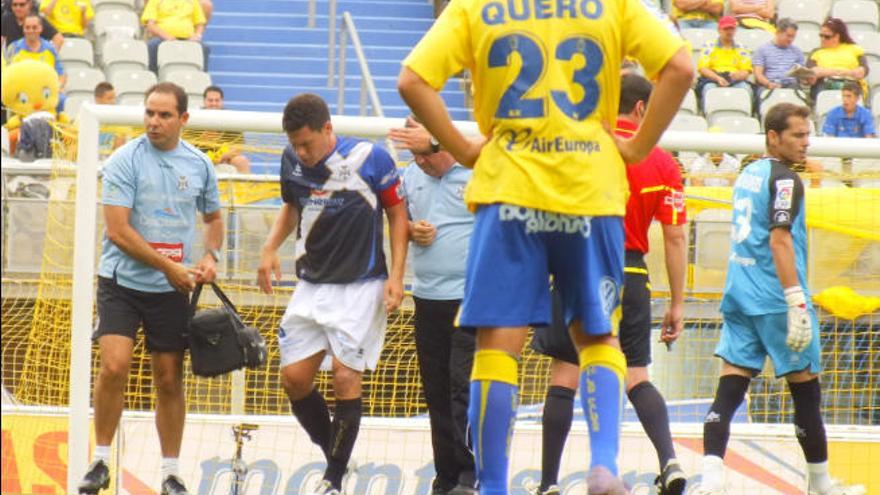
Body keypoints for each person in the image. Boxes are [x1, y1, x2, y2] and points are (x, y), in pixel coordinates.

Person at [397, 0, 695, 492]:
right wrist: (638, 147)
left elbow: (411, 80)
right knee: (598, 336)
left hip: (507, 189)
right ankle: (603, 466)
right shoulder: (613, 5)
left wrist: (466, 147)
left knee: (496, 347)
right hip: (589, 190)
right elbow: (681, 66)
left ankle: (493, 486)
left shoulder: (475, 7)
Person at [693, 103, 866, 495]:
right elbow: (779, 238)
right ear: (774, 137)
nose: (807, 143)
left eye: (808, 135)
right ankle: (821, 485)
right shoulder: (786, 181)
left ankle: (710, 478)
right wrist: (796, 302)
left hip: (739, 295)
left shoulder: (747, 174)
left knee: (730, 387)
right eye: (798, 136)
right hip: (776, 299)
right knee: (805, 389)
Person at [528, 74, 689, 495]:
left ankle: (548, 483)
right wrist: (678, 302)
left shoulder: (580, 149)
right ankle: (670, 461)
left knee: (565, 373)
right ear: (640, 109)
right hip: (631, 272)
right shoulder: (663, 161)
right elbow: (674, 236)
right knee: (635, 373)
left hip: (577, 263)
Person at [77, 82, 224, 495]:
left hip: (171, 290)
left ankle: (171, 473)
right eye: (149, 113)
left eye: (163, 115)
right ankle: (101, 461)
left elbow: (213, 218)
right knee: (114, 366)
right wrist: (170, 267)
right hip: (121, 281)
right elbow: (118, 231)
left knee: (168, 378)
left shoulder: (199, 164)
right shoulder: (125, 160)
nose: (153, 122)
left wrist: (211, 256)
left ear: (183, 119)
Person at [257, 93, 408, 495]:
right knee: (294, 380)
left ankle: (333, 481)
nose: (301, 152)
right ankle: (336, 456)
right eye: (295, 144)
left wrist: (396, 275)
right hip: (311, 285)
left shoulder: (371, 158)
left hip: (361, 287)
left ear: (328, 129)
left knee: (345, 376)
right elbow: (292, 206)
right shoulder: (291, 161)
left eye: (307, 143)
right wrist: (270, 248)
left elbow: (397, 214)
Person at [389, 116, 477, 495]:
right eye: (414, 155)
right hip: (426, 297)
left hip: (470, 298)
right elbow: (398, 224)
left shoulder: (474, 171)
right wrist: (410, 229)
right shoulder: (411, 177)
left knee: (464, 387)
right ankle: (445, 474)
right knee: (436, 390)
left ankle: (471, 472)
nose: (420, 161)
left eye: (424, 152)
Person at [696, 16, 753, 109]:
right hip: (714, 78)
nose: (729, 32)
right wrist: (717, 78)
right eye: (726, 29)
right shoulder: (709, 46)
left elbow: (746, 70)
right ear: (719, 30)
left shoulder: (742, 48)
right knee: (709, 89)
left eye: (732, 29)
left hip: (735, 79)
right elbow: (703, 69)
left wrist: (737, 76)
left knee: (746, 89)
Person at [805, 18, 869, 100]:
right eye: (821, 35)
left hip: (850, 84)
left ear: (837, 36)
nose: (822, 39)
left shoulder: (855, 49)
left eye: (827, 37)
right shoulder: (816, 52)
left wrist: (826, 72)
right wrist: (845, 72)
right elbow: (813, 72)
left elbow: (862, 71)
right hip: (824, 84)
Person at [141, 0, 208, 74]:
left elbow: (200, 23)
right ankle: (153, 76)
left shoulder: (193, 1)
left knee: (203, 48)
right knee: (152, 45)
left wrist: (197, 36)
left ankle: (201, 76)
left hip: (188, 39)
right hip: (162, 38)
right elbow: (150, 25)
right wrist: (166, 36)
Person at [200, 85, 251, 173]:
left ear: (222, 102)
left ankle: (245, 186)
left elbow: (238, 147)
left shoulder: (231, 119)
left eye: (217, 100)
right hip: (200, 157)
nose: (213, 103)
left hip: (224, 157)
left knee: (241, 161)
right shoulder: (194, 119)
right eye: (210, 100)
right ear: (204, 101)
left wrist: (220, 157)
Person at [7, 14, 67, 89]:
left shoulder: (50, 49)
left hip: (45, 93)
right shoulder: (14, 48)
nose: (31, 31)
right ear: (23, 29)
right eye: (27, 27)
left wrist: (58, 87)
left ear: (41, 28)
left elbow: (60, 74)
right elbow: (6, 74)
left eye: (34, 27)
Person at [752, 18, 805, 95]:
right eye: (788, 36)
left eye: (793, 36)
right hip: (768, 84)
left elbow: (801, 75)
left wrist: (806, 78)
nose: (791, 39)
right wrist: (768, 84)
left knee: (796, 92)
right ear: (778, 32)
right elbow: (758, 74)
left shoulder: (797, 52)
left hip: (791, 85)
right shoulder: (762, 50)